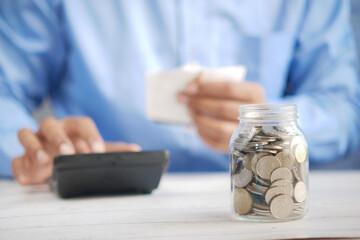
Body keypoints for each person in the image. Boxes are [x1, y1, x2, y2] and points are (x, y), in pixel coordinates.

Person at [0, 0, 359, 184]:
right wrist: (37, 150)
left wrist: (271, 125)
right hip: (96, 201)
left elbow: (346, 108)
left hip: (262, 196)